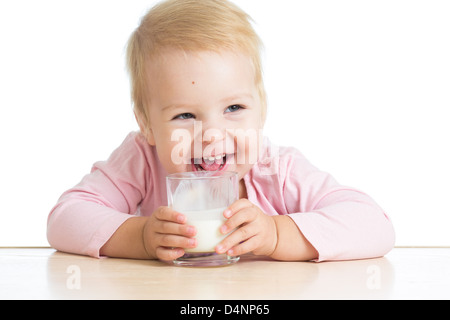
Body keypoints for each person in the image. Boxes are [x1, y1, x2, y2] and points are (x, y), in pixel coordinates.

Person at [47, 0, 395, 262]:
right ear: (147, 125)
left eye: (234, 109)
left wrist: (276, 234)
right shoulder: (142, 158)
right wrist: (140, 237)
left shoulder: (276, 168)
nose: (212, 134)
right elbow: (65, 218)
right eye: (185, 115)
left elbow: (375, 226)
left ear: (262, 111)